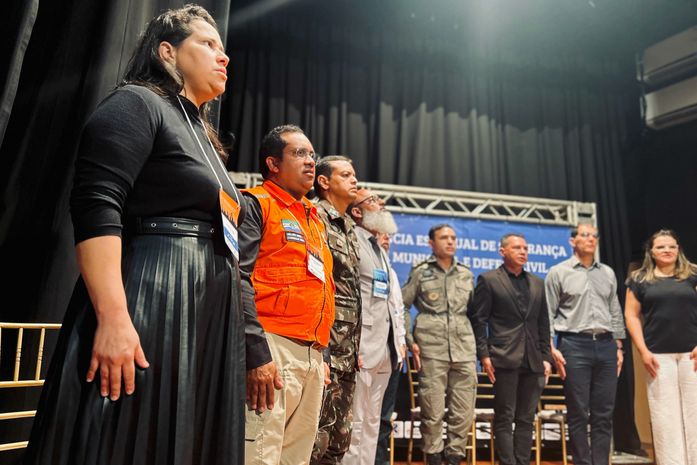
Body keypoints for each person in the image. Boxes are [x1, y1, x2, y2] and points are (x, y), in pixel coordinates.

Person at [24, 6, 245, 465]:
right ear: (167, 52)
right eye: (207, 44)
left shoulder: (202, 133)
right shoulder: (137, 103)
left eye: (223, 48)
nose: (222, 57)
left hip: (203, 309)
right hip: (152, 298)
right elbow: (96, 206)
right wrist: (113, 318)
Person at [239, 124, 335, 465]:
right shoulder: (255, 203)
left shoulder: (315, 218)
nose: (311, 161)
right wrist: (256, 353)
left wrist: (321, 355)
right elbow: (238, 280)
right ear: (273, 163)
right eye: (299, 153)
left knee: (295, 458)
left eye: (312, 154)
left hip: (310, 353)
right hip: (272, 348)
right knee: (259, 453)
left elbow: (319, 288)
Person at [545, 223, 626, 465]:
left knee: (603, 413)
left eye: (594, 236)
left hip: (606, 345)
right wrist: (550, 348)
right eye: (584, 235)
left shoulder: (608, 273)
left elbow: (615, 310)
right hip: (574, 345)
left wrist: (619, 347)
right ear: (572, 241)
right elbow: (548, 313)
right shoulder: (558, 272)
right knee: (579, 411)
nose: (590, 239)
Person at [470, 233, 552, 465]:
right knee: (505, 416)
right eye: (517, 247)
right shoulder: (489, 280)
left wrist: (546, 357)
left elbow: (543, 322)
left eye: (525, 248)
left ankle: (523, 461)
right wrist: (484, 354)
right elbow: (480, 320)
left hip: (533, 359)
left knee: (526, 417)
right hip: (504, 357)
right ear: (502, 251)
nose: (523, 251)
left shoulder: (538, 282)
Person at [401, 224, 477, 465]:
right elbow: (403, 305)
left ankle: (455, 457)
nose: (450, 242)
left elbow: (475, 312)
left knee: (463, 410)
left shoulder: (466, 273)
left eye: (453, 238)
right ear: (431, 244)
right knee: (432, 409)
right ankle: (433, 457)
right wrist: (409, 339)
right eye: (444, 238)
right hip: (431, 347)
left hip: (464, 347)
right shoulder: (421, 271)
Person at [342, 189, 405, 465]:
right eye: (374, 201)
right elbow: (350, 297)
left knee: (372, 424)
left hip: (384, 350)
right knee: (354, 423)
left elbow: (388, 302)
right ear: (357, 212)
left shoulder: (376, 246)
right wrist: (351, 345)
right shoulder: (352, 241)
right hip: (362, 348)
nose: (381, 205)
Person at [624, 229, 697, 465]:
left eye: (672, 246)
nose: (667, 251)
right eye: (661, 247)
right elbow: (631, 315)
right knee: (665, 418)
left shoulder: (693, 273)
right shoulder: (639, 278)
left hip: (692, 355)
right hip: (658, 357)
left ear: (678, 249)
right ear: (651, 252)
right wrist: (643, 352)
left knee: (694, 415)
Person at [310, 156, 362, 465]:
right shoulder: (315, 217)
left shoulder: (349, 227)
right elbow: (318, 285)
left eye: (354, 174)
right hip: (324, 347)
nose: (354, 180)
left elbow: (350, 293)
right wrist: (324, 348)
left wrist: (354, 346)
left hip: (348, 351)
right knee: (316, 436)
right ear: (324, 182)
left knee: (340, 440)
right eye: (345, 174)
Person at [374, 232, 407, 465]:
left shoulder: (392, 272)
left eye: (388, 236)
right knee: (364, 417)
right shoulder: (362, 264)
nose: (386, 239)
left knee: (384, 419)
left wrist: (402, 342)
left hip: (392, 351)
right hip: (370, 351)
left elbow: (399, 311)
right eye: (379, 235)